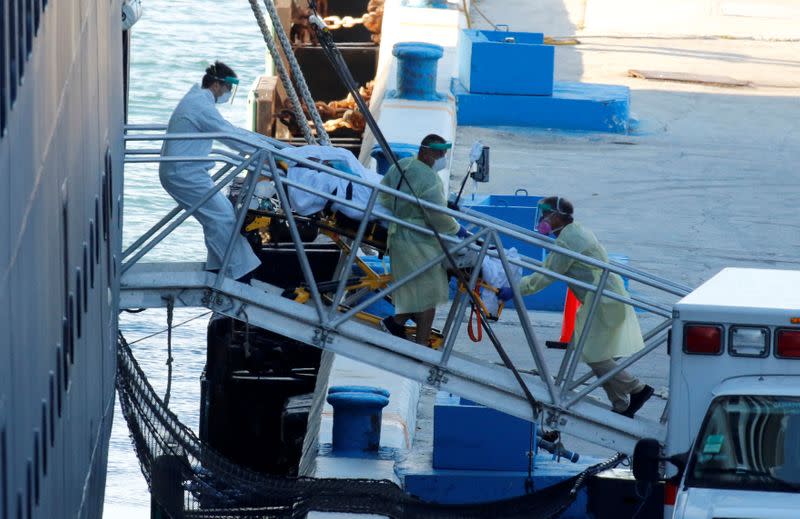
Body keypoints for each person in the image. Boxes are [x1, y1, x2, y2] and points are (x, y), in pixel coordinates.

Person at [498, 196, 653, 418]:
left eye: (545, 214)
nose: (542, 219)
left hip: (604, 301)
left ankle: (637, 389)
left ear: (558, 216)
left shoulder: (568, 242)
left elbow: (545, 276)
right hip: (605, 297)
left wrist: (514, 288)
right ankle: (620, 403)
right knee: (597, 353)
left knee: (594, 353)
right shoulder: (574, 232)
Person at [160, 61, 278, 283]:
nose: (228, 94)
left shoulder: (198, 102)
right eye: (227, 89)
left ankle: (220, 268)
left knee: (218, 215)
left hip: (187, 172)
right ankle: (238, 273)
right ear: (217, 85)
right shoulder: (200, 106)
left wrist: (266, 146)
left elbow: (230, 131)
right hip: (184, 174)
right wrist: (267, 154)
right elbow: (229, 136)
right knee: (221, 218)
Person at [378, 134, 467, 345]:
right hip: (415, 241)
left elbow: (385, 195)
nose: (442, 158)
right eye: (438, 153)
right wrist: (457, 229)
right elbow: (437, 215)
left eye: (444, 154)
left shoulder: (403, 164)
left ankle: (400, 326)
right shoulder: (429, 178)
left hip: (398, 235)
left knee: (424, 293)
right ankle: (413, 339)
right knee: (430, 295)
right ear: (425, 151)